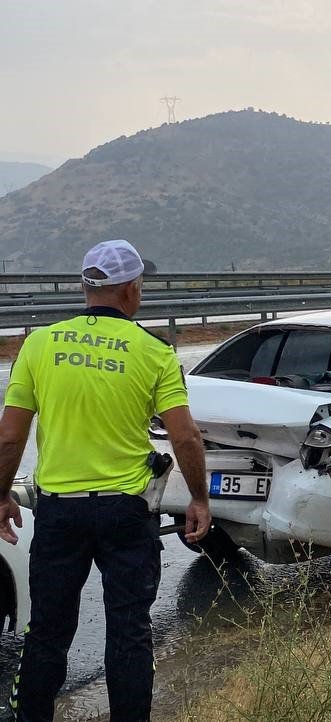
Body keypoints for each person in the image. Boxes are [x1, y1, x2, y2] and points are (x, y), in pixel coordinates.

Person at [0, 240, 211, 721]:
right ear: (132, 289)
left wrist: (0, 494)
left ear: (84, 286)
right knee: (130, 631)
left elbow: (10, 437)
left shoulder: (38, 344)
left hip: (58, 512)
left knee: (48, 633)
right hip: (126, 512)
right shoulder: (155, 353)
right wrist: (198, 498)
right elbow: (186, 437)